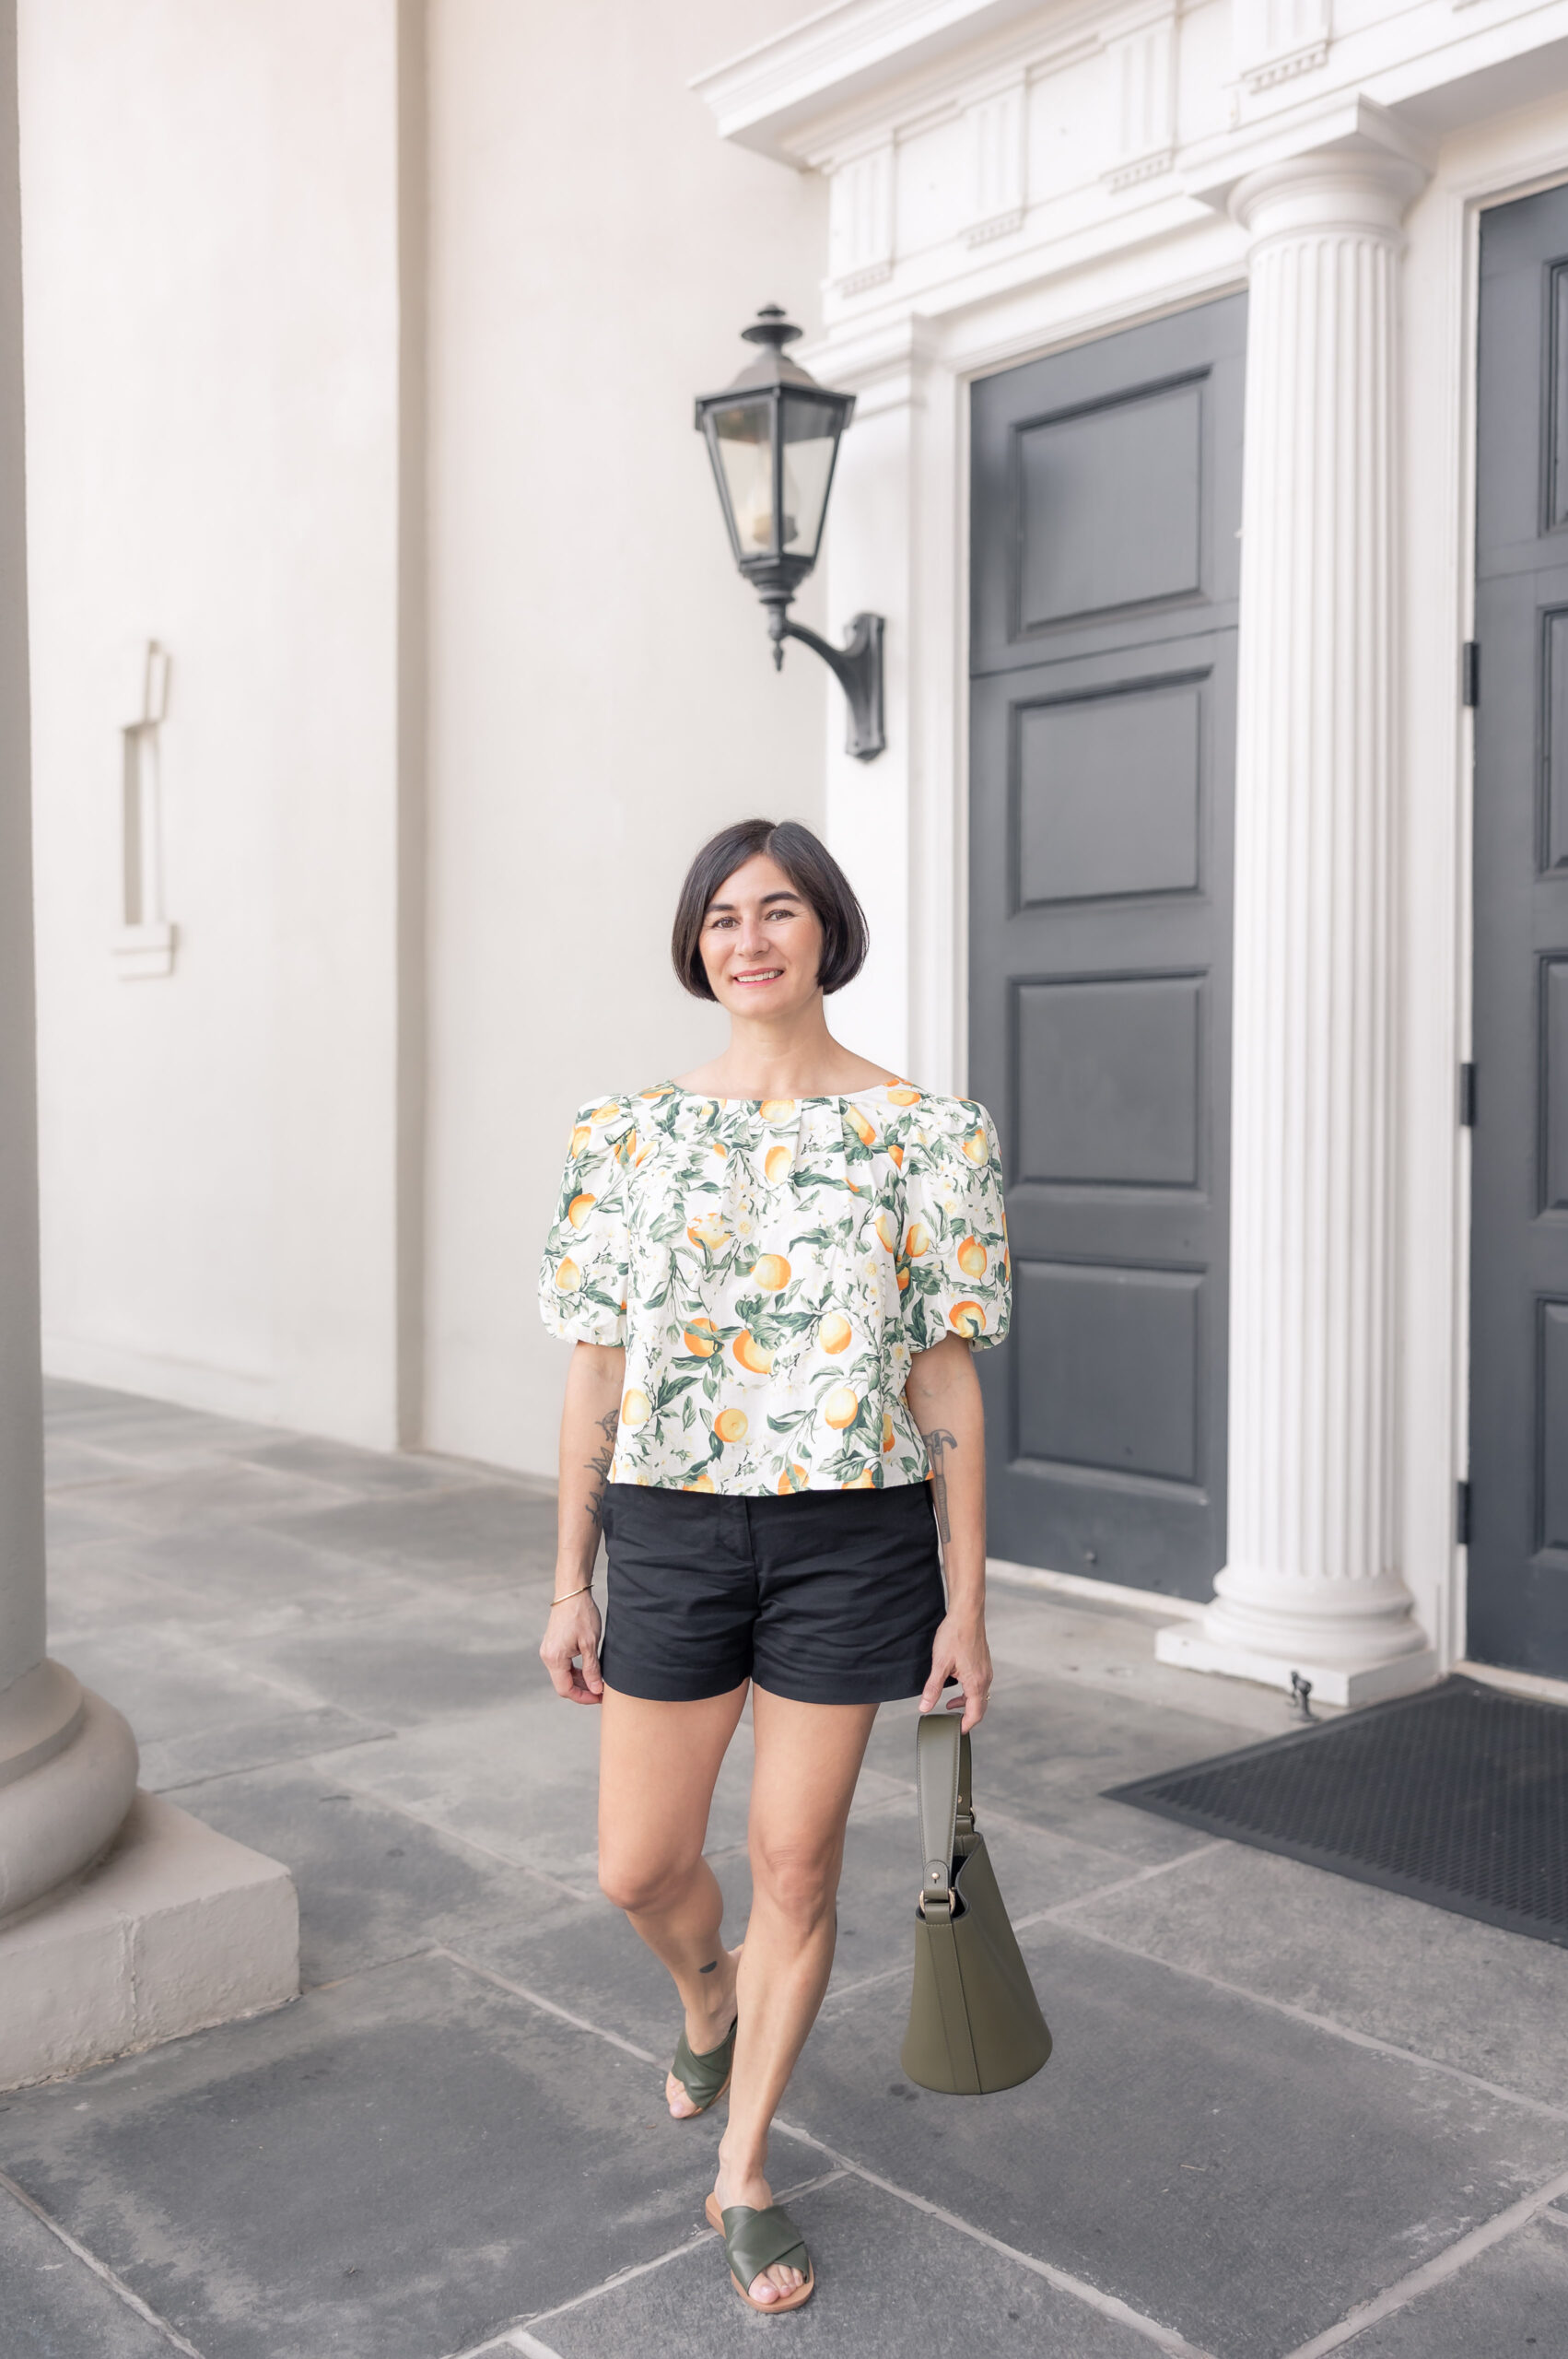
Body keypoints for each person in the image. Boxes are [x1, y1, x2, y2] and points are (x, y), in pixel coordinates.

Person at [536, 816, 1011, 2315]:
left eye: (779, 911)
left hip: (851, 1541)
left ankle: (742, 2172)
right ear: (696, 946)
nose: (747, 939)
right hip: (671, 1528)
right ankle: (705, 1996)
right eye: (721, 917)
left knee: (798, 1866)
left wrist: (968, 1606)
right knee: (638, 1869)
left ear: (827, 934)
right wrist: (569, 1577)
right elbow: (594, 1382)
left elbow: (943, 1384)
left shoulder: (927, 1132)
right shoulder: (622, 1134)